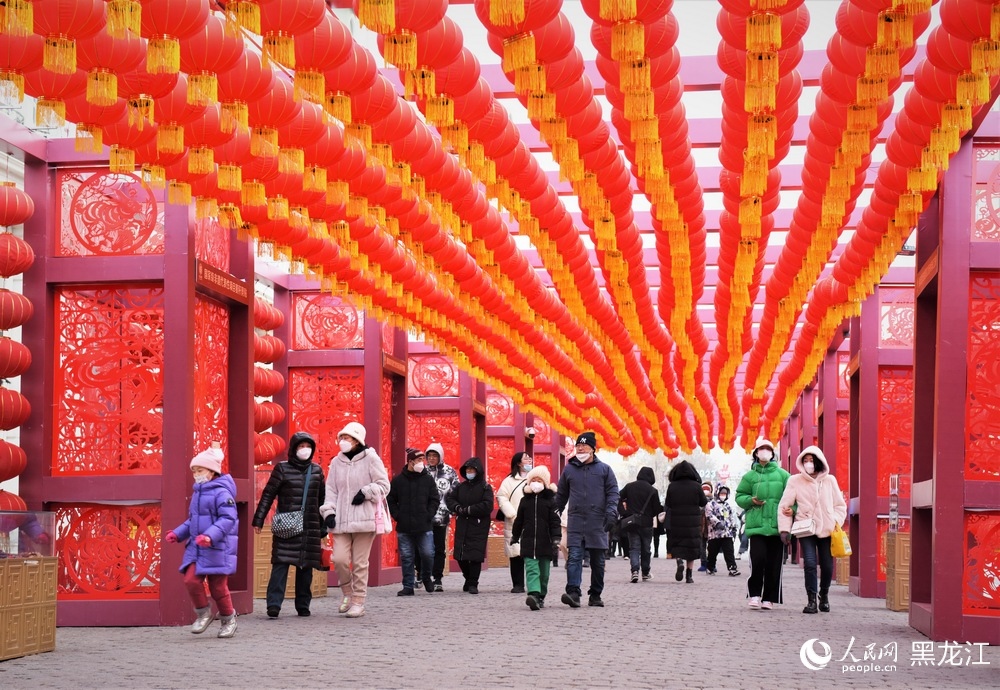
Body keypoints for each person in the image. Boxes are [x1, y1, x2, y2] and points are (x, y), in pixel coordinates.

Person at [319, 422, 390, 619]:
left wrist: (367, 492)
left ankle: (358, 601)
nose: (343, 441)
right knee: (339, 559)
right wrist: (329, 512)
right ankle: (348, 594)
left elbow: (384, 485)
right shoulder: (336, 462)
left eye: (347, 438)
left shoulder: (371, 458)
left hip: (364, 519)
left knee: (360, 563)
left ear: (357, 440)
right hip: (341, 521)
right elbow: (331, 489)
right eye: (341, 438)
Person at [166, 445, 238, 638]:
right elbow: (194, 520)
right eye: (194, 471)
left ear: (212, 471)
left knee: (218, 588)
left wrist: (210, 536)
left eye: (200, 470)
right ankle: (203, 612)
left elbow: (228, 519)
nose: (197, 474)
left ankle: (228, 619)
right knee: (190, 580)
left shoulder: (222, 493)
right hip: (197, 548)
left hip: (216, 548)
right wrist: (179, 533)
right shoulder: (198, 492)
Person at [252, 432, 327, 619]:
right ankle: (274, 605)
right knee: (280, 564)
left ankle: (303, 605)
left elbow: (323, 501)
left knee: (305, 567)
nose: (304, 450)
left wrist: (324, 527)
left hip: (310, 526)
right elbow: (268, 494)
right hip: (287, 526)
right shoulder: (282, 469)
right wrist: (259, 520)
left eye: (307, 446)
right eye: (300, 446)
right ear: (293, 449)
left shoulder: (317, 470)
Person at [778, 445, 847, 614]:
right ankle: (811, 600)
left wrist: (834, 520)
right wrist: (784, 530)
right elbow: (784, 506)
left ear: (818, 462)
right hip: (805, 527)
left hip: (827, 529)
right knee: (809, 562)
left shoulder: (830, 480)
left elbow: (840, 506)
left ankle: (824, 595)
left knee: (827, 565)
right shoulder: (794, 480)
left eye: (811, 460)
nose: (808, 463)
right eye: (805, 460)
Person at [556, 431, 619, 608]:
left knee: (598, 561)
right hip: (575, 521)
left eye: (584, 445)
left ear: (593, 449)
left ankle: (595, 594)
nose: (580, 448)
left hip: (597, 521)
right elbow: (561, 495)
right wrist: (555, 512)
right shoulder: (569, 469)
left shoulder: (604, 470)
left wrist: (611, 512)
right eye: (578, 445)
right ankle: (573, 593)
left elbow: (613, 493)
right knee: (574, 557)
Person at [735, 439, 790, 611]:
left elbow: (793, 497)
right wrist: (750, 500)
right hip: (757, 526)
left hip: (777, 526)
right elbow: (739, 497)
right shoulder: (749, 476)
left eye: (768, 449)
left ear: (773, 454)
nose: (765, 452)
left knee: (774, 564)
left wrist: (792, 510)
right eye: (761, 449)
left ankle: (770, 598)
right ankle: (754, 595)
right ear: (756, 453)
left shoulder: (783, 475)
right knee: (757, 560)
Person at [387, 448, 440, 596]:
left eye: (422, 460)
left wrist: (429, 514)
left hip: (424, 525)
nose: (421, 463)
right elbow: (391, 500)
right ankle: (408, 585)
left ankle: (426, 576)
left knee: (428, 553)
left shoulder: (428, 479)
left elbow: (434, 499)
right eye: (418, 460)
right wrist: (398, 515)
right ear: (410, 462)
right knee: (407, 557)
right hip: (404, 526)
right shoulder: (398, 480)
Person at [510, 465, 561, 610]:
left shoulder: (551, 501)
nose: (536, 483)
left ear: (545, 483)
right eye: (533, 480)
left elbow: (555, 521)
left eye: (539, 480)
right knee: (532, 569)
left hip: (546, 542)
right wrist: (515, 535)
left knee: (544, 573)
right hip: (528, 542)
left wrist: (556, 537)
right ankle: (533, 594)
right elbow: (519, 520)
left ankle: (541, 595)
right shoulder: (525, 501)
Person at [444, 457, 493, 594]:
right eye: (468, 469)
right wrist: (458, 508)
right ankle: (468, 577)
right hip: (462, 523)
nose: (470, 472)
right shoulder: (460, 487)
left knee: (475, 556)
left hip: (478, 525)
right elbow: (450, 499)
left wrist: (470, 509)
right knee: (460, 555)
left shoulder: (485, 487)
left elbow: (487, 505)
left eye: (472, 469)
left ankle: (473, 583)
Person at [423, 442, 458, 591]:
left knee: (439, 549)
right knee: (423, 549)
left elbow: (456, 491)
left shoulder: (449, 471)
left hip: (441, 517)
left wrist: (451, 509)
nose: (431, 458)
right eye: (429, 455)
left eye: (434, 456)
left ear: (440, 457)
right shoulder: (422, 471)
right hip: (424, 517)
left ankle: (437, 578)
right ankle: (422, 574)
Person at [665, 460, 708, 584]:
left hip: (677, 520)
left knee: (678, 544)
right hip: (693, 522)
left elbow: (668, 503)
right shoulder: (696, 486)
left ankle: (679, 561)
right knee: (692, 548)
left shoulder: (672, 486)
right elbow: (703, 502)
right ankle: (689, 576)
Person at [619, 466, 663, 583]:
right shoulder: (653, 491)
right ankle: (645, 572)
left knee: (634, 548)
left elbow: (618, 497)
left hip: (632, 522)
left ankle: (634, 571)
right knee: (646, 548)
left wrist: (624, 513)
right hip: (647, 523)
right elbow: (657, 509)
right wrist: (649, 515)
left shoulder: (629, 486)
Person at [497, 451, 532, 593]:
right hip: (514, 521)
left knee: (531, 554)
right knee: (515, 554)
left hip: (532, 521)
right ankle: (518, 584)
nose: (529, 460)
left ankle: (533, 584)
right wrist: (512, 514)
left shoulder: (535, 478)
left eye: (530, 458)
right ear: (518, 463)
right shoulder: (509, 481)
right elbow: (502, 497)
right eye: (526, 459)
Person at [705, 485, 741, 577]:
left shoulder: (727, 506)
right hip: (715, 534)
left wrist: (733, 528)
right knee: (712, 552)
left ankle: (732, 568)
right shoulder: (711, 504)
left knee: (729, 551)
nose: (723, 495)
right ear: (717, 493)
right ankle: (710, 567)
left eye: (725, 493)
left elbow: (731, 517)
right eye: (721, 493)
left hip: (727, 534)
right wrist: (717, 523)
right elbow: (709, 516)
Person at [698, 482, 713, 571]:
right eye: (704, 490)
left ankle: (711, 563)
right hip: (701, 526)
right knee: (701, 546)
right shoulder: (698, 500)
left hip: (711, 526)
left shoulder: (714, 501)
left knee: (711, 546)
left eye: (707, 489)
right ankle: (703, 563)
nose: (706, 491)